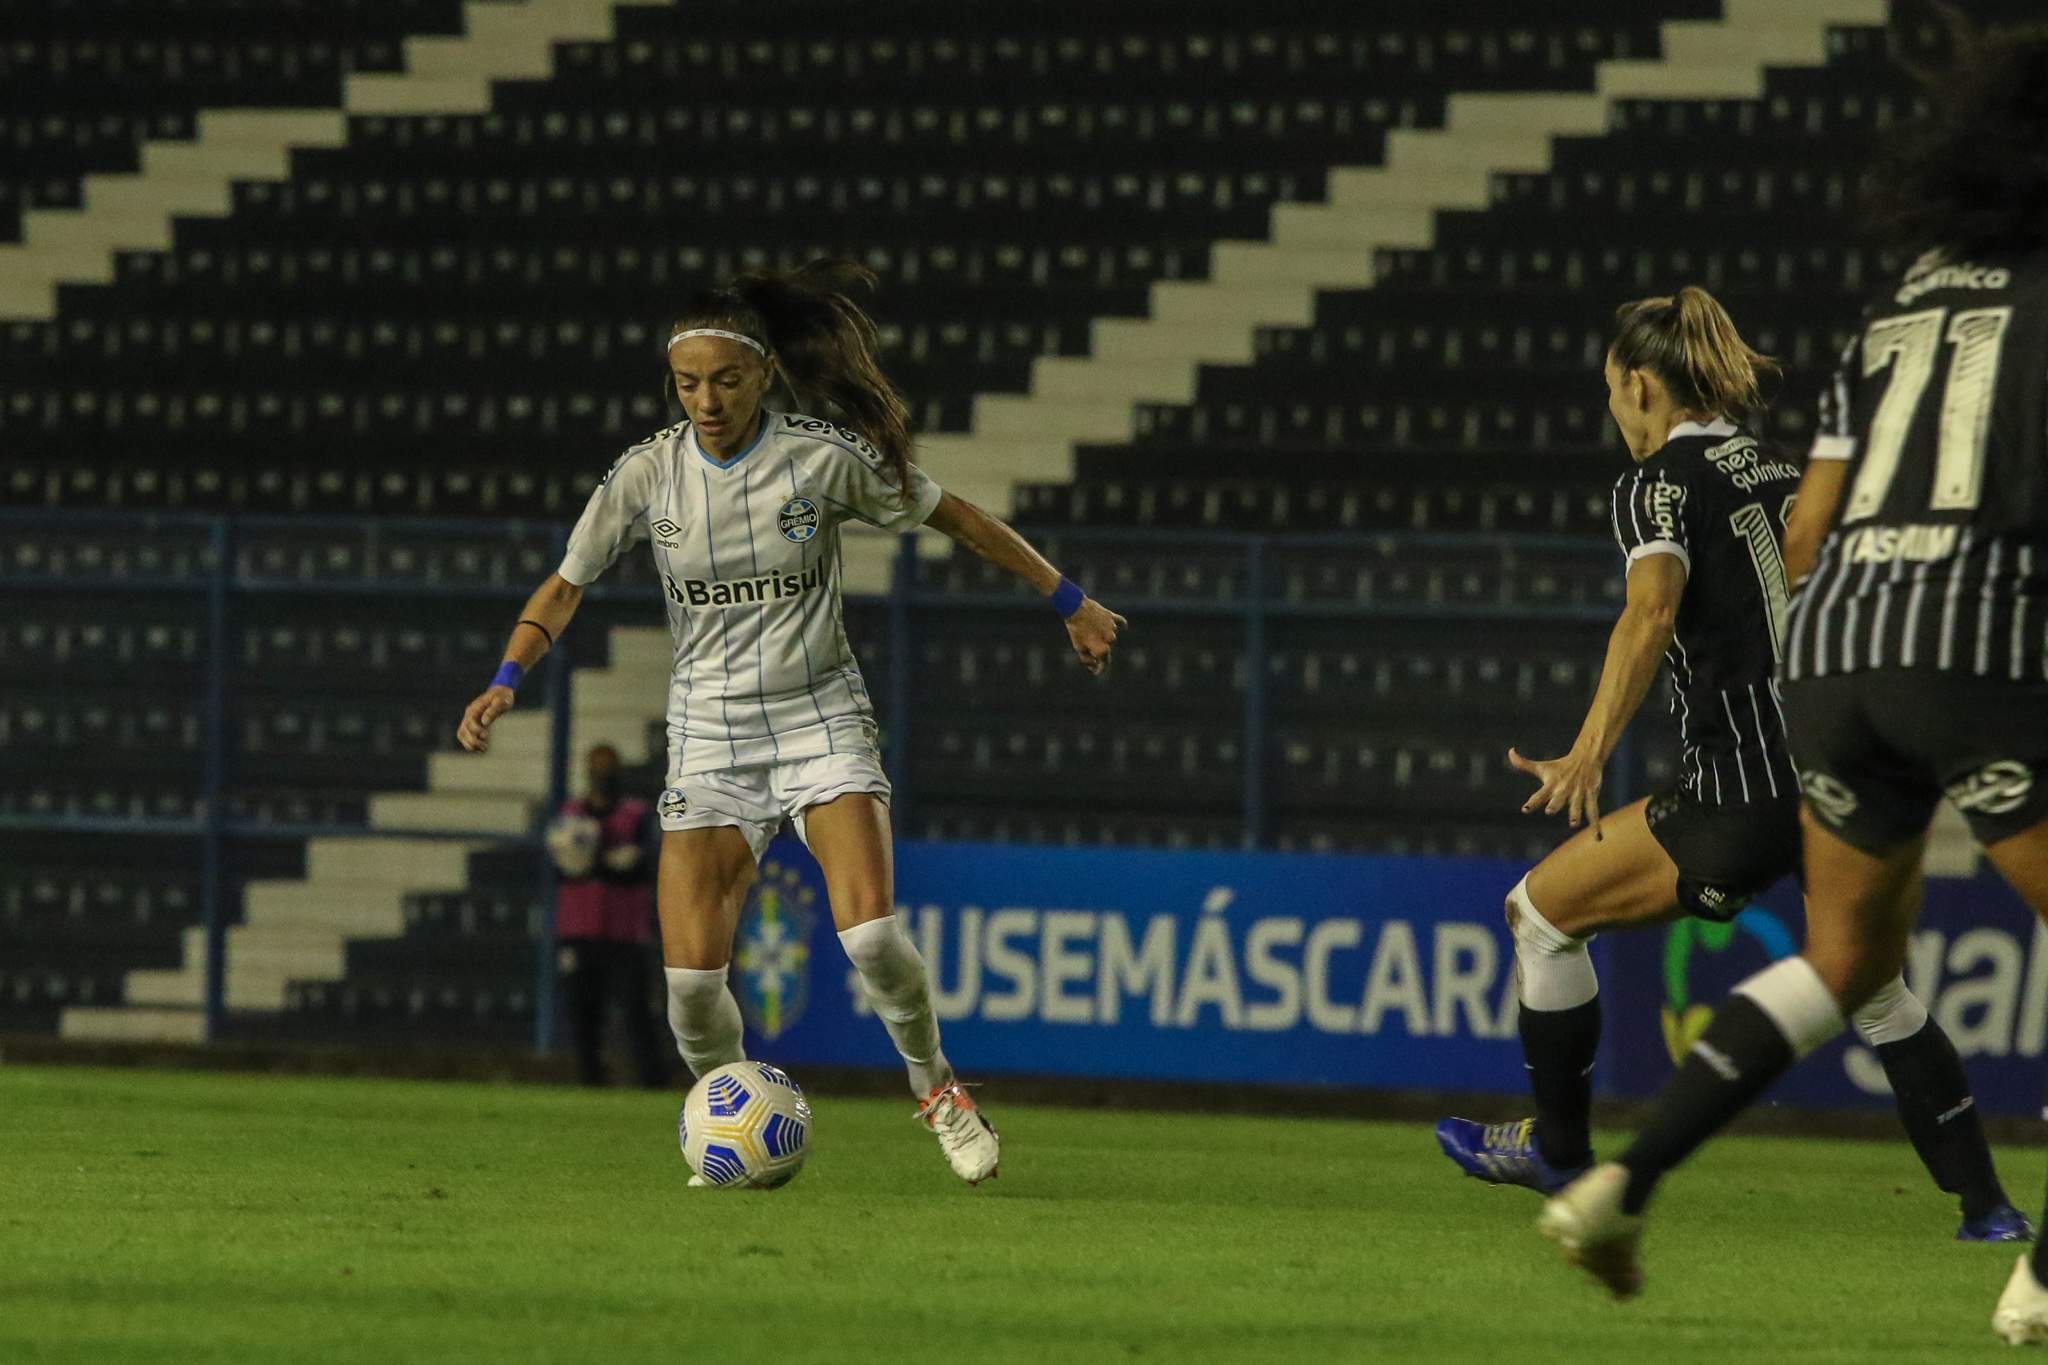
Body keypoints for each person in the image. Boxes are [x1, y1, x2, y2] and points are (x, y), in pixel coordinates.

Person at [1530, 26, 2048, 1330]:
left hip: (1841, 666)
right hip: (1978, 648)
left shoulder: (1896, 311)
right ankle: (2035, 1274)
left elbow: (1811, 539)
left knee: (1845, 961)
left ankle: (1618, 1183)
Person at [457, 259, 1125, 1185]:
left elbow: (956, 517)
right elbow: (566, 585)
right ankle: (740, 1124)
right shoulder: (647, 474)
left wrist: (1071, 600)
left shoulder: (820, 458)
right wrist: (505, 677)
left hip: (820, 720)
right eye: (689, 383)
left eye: (725, 380)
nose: (708, 399)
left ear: (764, 372)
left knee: (872, 939)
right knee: (691, 996)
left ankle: (936, 1086)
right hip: (708, 736)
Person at [1434, 287, 2025, 1241]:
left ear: (1639, 384)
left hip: (1741, 792)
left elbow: (1651, 609)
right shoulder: (1783, 470)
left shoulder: (1657, 482)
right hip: (1840, 774)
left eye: (1610, 392)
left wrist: (1589, 749)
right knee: (1875, 990)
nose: (1612, 413)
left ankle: (1561, 1150)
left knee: (1539, 913)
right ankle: (1989, 1209)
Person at [546, 743, 669, 1090]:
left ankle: (652, 1081)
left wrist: (616, 863)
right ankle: (590, 1079)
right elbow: (562, 867)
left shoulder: (636, 813)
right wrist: (603, 862)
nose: (603, 776)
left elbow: (645, 864)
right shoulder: (570, 815)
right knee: (583, 1008)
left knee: (636, 1010)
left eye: (609, 768)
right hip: (579, 927)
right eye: (598, 768)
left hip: (624, 930)